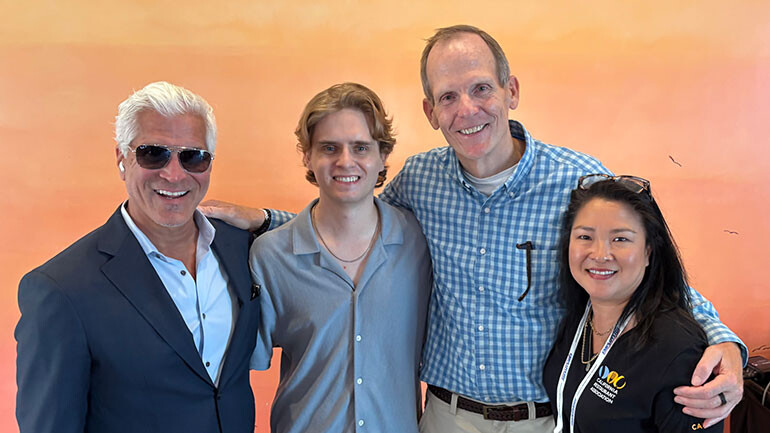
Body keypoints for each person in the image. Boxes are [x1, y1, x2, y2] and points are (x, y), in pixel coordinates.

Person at [201, 25, 745, 433]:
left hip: (544, 418)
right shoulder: (419, 181)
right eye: (448, 97)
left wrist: (725, 341)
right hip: (443, 417)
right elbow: (351, 216)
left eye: (480, 89)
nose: (468, 109)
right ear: (430, 110)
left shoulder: (578, 181)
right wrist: (267, 221)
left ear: (511, 90)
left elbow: (644, 271)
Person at [15, 81, 258, 433]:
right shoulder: (61, 290)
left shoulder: (242, 248)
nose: (174, 174)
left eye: (193, 156)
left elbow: (330, 233)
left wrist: (265, 218)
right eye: (152, 153)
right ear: (121, 159)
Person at [249, 83, 431, 432]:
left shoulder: (418, 242)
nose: (345, 161)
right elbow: (240, 370)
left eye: (361, 147)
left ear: (382, 157)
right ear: (307, 156)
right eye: (329, 147)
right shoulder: (271, 256)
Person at [543, 174, 723, 432]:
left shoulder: (678, 350)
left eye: (620, 239)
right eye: (585, 237)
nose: (600, 254)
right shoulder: (577, 316)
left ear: (648, 251)